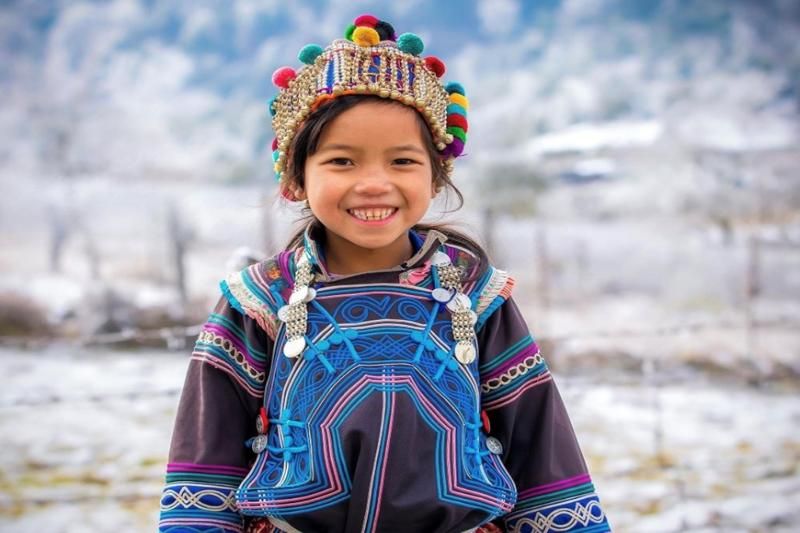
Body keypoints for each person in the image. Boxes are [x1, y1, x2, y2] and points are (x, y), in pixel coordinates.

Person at [158, 14, 610, 533]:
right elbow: (203, 471)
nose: (374, 184)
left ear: (436, 174)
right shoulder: (259, 302)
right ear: (296, 177)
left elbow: (540, 448)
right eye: (342, 162)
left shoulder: (475, 295)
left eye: (401, 162)